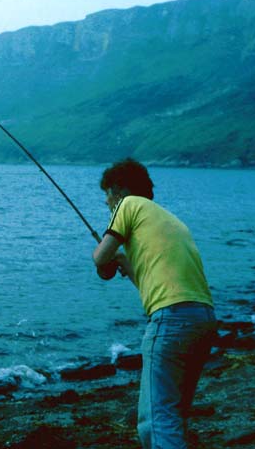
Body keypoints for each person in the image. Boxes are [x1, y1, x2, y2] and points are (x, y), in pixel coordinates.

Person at [91, 158, 217, 449]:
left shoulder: (128, 205)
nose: (107, 203)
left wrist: (106, 257)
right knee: (175, 415)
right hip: (203, 318)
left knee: (156, 421)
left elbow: (99, 258)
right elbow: (148, 282)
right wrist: (123, 259)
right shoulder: (171, 220)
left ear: (119, 191)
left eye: (107, 195)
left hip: (171, 321)